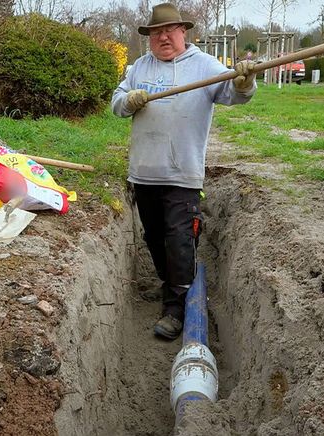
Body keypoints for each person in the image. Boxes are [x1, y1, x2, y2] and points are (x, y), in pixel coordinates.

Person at [111, 3, 257, 340]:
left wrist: (245, 81)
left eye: (169, 30)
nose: (163, 36)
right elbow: (116, 103)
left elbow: (235, 95)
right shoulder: (138, 68)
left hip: (182, 173)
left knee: (179, 240)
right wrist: (127, 100)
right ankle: (169, 283)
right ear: (149, 37)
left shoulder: (205, 67)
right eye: (156, 32)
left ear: (183, 32)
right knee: (154, 237)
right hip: (144, 172)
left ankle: (176, 308)